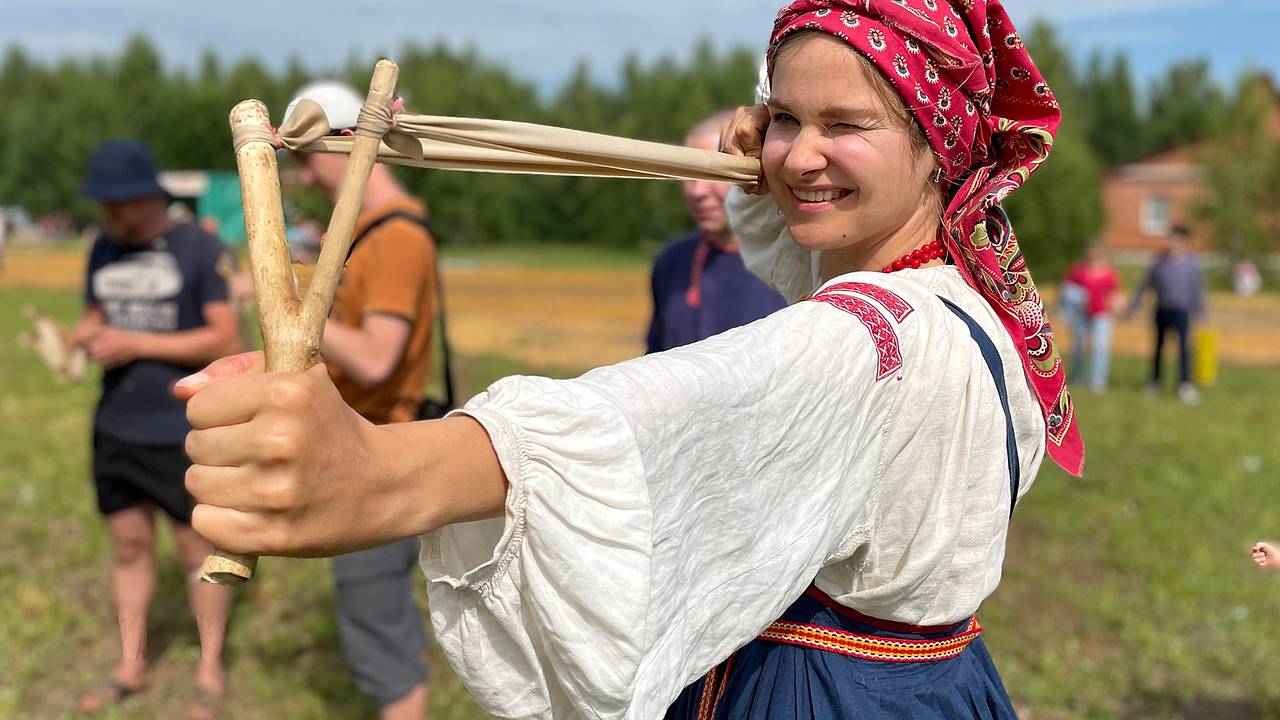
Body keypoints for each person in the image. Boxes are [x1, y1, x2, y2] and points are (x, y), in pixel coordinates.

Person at [175, 1, 1083, 717]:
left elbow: (661, 414)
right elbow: (816, 244)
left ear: (940, 148)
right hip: (938, 689)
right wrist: (770, 174)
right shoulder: (975, 296)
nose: (799, 155)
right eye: (785, 120)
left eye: (845, 124)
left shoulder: (861, 341)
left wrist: (378, 470)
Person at [283, 81, 438, 720]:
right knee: (373, 613)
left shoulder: (396, 236)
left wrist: (298, 312)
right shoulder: (368, 231)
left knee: (376, 620)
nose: (301, 170)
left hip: (380, 450)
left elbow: (376, 355)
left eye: (305, 151)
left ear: (344, 143)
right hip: (360, 444)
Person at [72, 140, 239, 719]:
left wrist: (137, 344)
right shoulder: (103, 249)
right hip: (116, 424)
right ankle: (132, 665)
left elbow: (224, 338)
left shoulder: (202, 249)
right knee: (129, 544)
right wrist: (81, 336)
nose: (109, 215)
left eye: (118, 204)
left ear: (149, 196)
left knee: (197, 550)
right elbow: (98, 312)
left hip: (180, 428)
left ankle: (209, 671)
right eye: (103, 205)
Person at [647, 111, 786, 353]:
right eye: (689, 175)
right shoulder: (671, 262)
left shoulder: (793, 267)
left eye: (713, 174)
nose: (697, 192)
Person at [1126, 226, 1206, 405]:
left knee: (1184, 350)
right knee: (1158, 348)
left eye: (1175, 240)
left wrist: (1201, 313)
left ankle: (1184, 384)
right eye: (1170, 239)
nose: (1171, 243)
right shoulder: (1159, 263)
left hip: (1182, 312)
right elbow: (1145, 285)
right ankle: (1154, 382)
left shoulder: (1191, 264)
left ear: (1184, 242)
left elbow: (1198, 290)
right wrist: (1133, 306)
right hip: (1162, 310)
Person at [1062, 245, 1121, 393]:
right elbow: (1066, 289)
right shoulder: (1079, 270)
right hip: (1081, 315)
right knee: (1078, 346)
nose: (1094, 255)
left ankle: (1098, 379)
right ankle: (1077, 376)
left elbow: (1114, 293)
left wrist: (1119, 307)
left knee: (1100, 347)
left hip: (1102, 314)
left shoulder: (1109, 273)